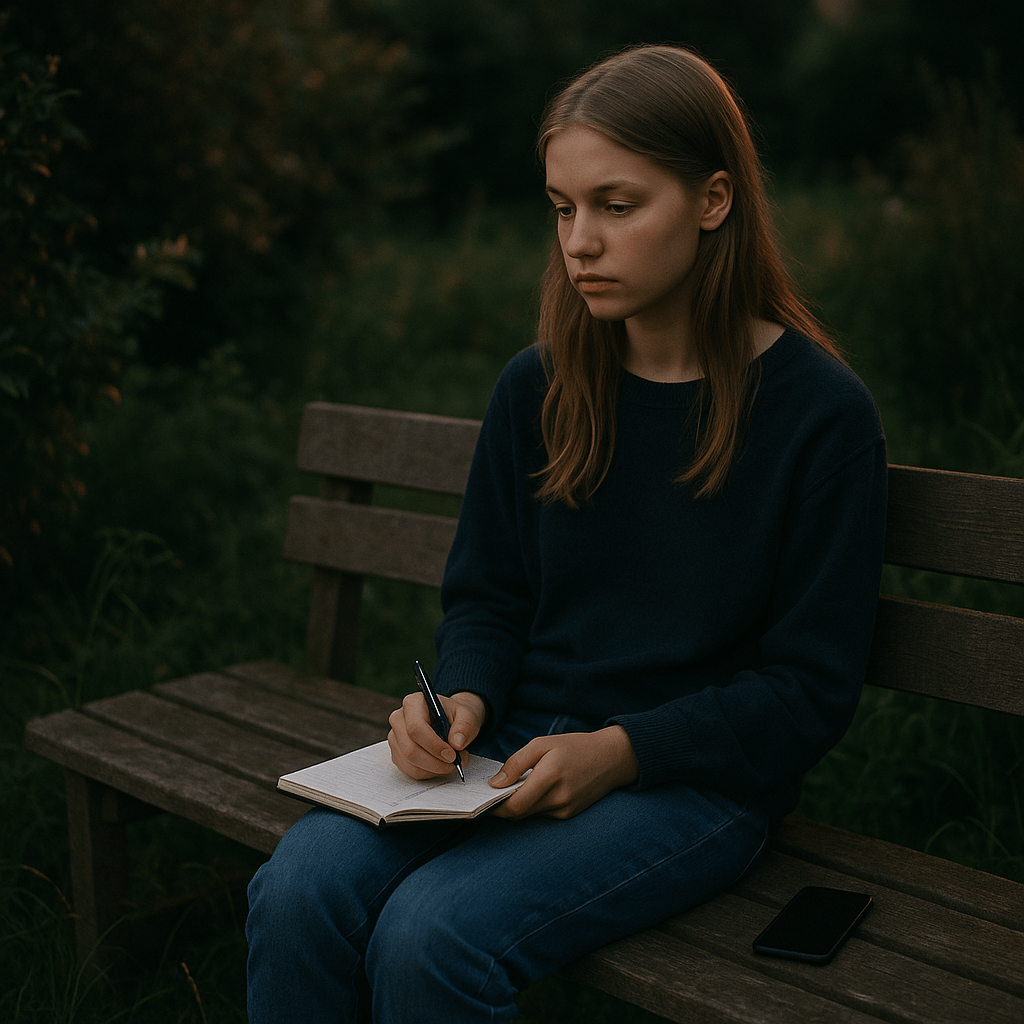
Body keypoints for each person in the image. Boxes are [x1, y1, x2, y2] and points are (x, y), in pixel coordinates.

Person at [246, 43, 887, 1023]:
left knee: (432, 934)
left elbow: (806, 689)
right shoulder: (540, 385)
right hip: (505, 745)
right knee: (297, 887)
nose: (578, 241)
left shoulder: (819, 417)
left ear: (713, 200)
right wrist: (458, 699)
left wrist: (623, 750)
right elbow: (490, 596)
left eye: (616, 205)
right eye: (562, 207)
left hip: (691, 781)